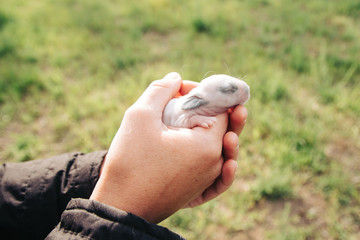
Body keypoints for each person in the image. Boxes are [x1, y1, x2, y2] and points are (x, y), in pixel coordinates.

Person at [0, 72, 248, 239]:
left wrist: (107, 174)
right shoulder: (191, 105)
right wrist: (123, 203)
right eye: (229, 90)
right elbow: (185, 115)